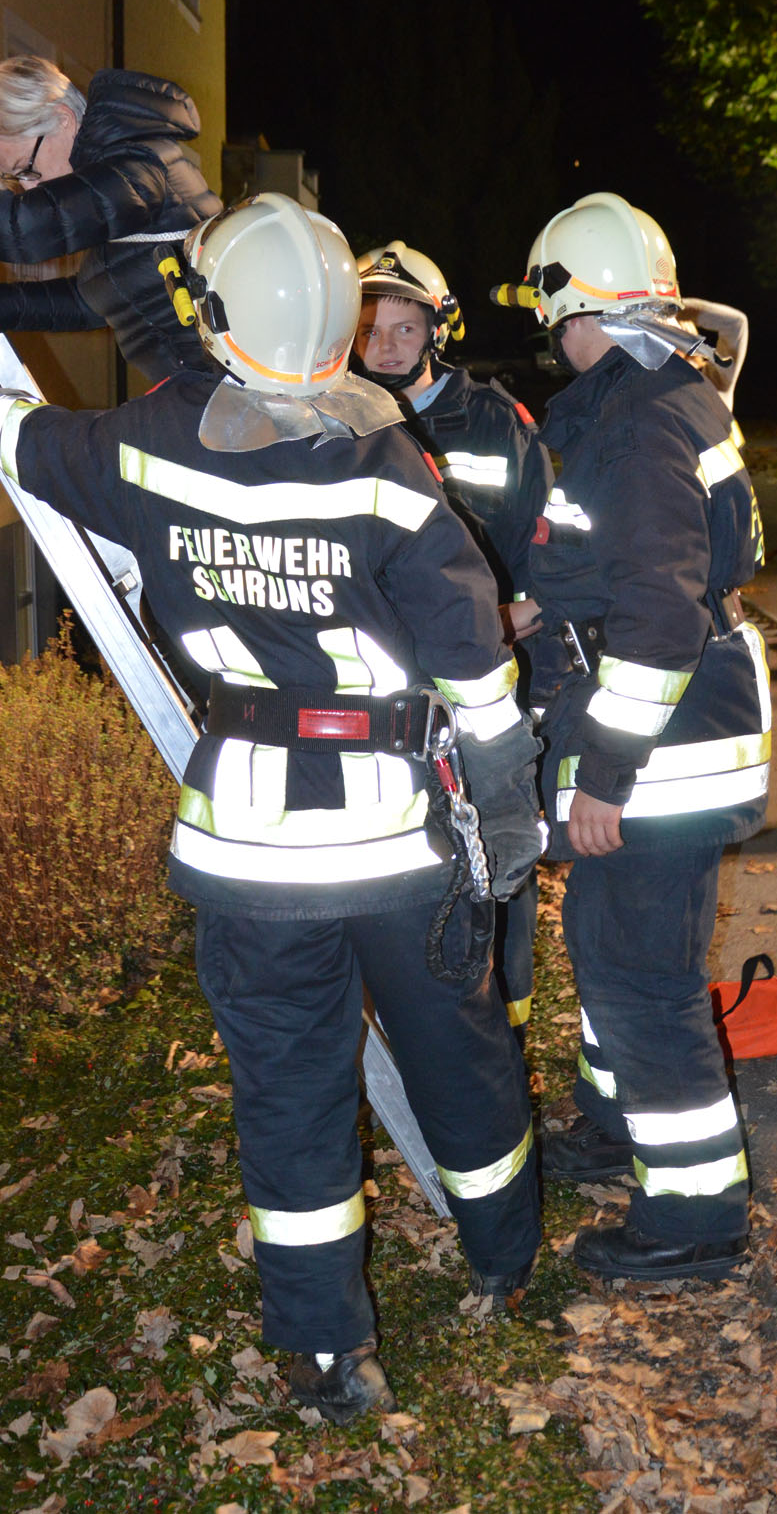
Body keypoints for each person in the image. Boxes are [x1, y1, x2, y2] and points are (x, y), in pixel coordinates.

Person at [0, 192, 545, 1423]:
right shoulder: (388, 467)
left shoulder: (149, 442)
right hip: (398, 838)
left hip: (249, 849)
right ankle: (502, 1260)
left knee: (289, 1093)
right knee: (458, 1054)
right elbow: (475, 669)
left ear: (219, 314)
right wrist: (508, 811)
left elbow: (28, 439)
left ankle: (328, 1355)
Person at [493, 191, 771, 1283]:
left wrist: (606, 773)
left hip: (662, 746)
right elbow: (633, 564)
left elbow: (657, 618)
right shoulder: (661, 395)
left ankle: (695, 1218)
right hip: (682, 727)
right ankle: (618, 1130)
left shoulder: (641, 421)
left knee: (642, 977)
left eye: (554, 312)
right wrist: (536, 608)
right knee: (614, 948)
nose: (551, 336)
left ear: (580, 306)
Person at [353, 242, 553, 1045]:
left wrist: (500, 625)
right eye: (369, 329)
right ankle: (420, 1025)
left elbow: (552, 558)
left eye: (404, 328)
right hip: (383, 689)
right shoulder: (340, 419)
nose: (385, 346)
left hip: (481, 678)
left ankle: (506, 1026)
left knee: (498, 853)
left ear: (440, 331)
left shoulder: (498, 423)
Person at [0, 55, 221, 384]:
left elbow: (18, 229)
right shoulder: (118, 171)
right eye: (18, 179)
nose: (29, 188)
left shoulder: (135, 170)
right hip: (207, 383)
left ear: (62, 120)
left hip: (222, 384)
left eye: (26, 169)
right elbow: (100, 295)